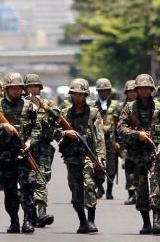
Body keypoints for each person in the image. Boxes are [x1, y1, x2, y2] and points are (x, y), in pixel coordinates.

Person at [0, 73, 41, 234]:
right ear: (6, 89)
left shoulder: (29, 106)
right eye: (13, 88)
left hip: (24, 155)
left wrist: (29, 142)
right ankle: (14, 220)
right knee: (10, 191)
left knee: (27, 188)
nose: (16, 91)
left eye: (19, 88)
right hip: (5, 156)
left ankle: (27, 220)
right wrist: (3, 127)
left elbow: (37, 129)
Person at [117, 73, 160, 235]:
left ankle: (156, 221)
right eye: (141, 88)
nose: (145, 91)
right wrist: (136, 134)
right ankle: (146, 222)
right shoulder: (129, 108)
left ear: (152, 90)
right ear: (137, 90)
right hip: (136, 155)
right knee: (141, 190)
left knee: (156, 188)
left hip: (154, 154)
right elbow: (120, 128)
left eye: (147, 88)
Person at [59, 78, 106, 234]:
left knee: (89, 186)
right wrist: (65, 133)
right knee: (75, 191)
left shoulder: (93, 113)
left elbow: (99, 137)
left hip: (88, 155)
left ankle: (91, 221)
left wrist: (100, 157)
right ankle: (82, 221)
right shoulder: (65, 113)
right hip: (71, 157)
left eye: (81, 94)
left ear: (86, 95)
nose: (78, 97)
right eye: (75, 94)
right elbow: (53, 132)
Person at [25, 73, 57, 227]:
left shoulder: (48, 103)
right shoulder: (21, 105)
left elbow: (59, 119)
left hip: (44, 147)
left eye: (35, 86)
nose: (33, 89)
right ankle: (30, 215)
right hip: (27, 148)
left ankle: (42, 213)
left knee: (42, 179)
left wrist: (47, 109)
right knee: (29, 181)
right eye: (30, 86)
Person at [93, 78, 122, 200]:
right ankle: (100, 187)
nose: (104, 93)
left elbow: (121, 123)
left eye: (106, 90)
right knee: (98, 164)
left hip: (112, 140)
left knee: (111, 166)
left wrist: (118, 140)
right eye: (101, 91)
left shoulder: (117, 105)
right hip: (97, 140)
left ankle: (110, 190)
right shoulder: (93, 105)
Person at [121, 79, 138, 202]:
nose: (132, 94)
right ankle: (131, 193)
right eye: (129, 92)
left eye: (134, 91)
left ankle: (142, 192)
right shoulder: (122, 107)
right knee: (129, 169)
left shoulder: (141, 106)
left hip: (141, 143)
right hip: (127, 144)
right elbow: (118, 126)